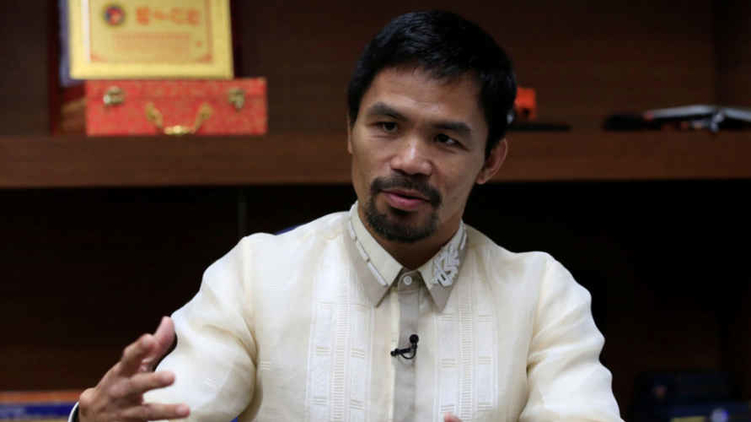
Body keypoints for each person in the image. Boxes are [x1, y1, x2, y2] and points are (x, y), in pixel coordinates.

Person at [71, 10, 623, 422]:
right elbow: (170, 410)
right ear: (351, 132)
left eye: (446, 139)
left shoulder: (543, 296)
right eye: (387, 127)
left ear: (491, 160)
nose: (410, 161)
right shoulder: (256, 275)